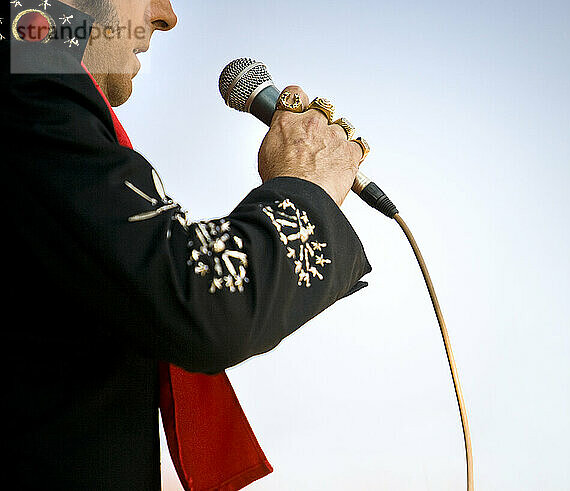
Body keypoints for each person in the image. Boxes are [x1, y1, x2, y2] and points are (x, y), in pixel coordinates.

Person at [2, 0, 371, 489]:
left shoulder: (32, 59)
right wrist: (308, 191)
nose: (165, 14)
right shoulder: (26, 73)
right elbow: (199, 296)